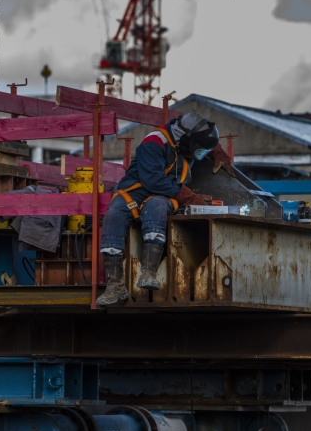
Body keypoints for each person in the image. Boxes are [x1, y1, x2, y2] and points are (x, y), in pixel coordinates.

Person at [96, 111, 234, 306]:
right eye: (199, 150)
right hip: (143, 188)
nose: (199, 155)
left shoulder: (186, 139)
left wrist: (217, 152)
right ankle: (114, 287)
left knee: (156, 206)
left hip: (162, 194)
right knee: (114, 214)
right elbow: (154, 180)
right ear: (186, 141)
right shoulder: (154, 143)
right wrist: (189, 197)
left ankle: (148, 273)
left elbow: (199, 140)